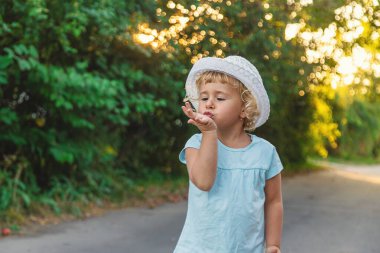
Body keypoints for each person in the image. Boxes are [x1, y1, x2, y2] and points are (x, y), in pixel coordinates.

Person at [173, 56, 283, 253]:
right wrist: (208, 133)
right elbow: (204, 182)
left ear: (244, 108)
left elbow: (274, 201)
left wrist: (273, 244)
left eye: (220, 98)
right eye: (204, 98)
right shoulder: (196, 144)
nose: (209, 104)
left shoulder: (265, 152)